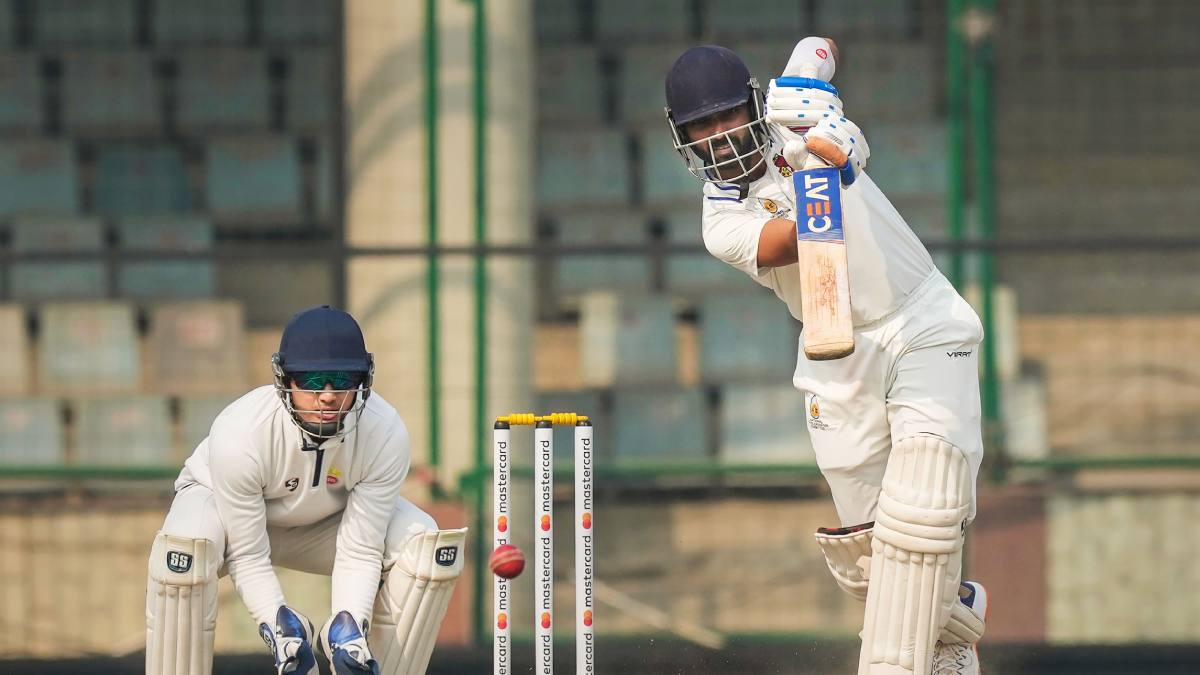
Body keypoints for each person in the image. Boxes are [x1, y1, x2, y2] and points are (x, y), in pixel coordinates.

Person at [664, 39, 988, 674]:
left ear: (752, 104)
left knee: (923, 510)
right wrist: (818, 164)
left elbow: (821, 49)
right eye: (702, 127)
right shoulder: (720, 222)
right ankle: (956, 625)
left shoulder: (795, 117)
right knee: (872, 561)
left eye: (727, 115)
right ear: (683, 138)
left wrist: (831, 127)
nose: (719, 135)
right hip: (834, 348)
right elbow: (802, 238)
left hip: (919, 319)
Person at [145, 305, 466, 675]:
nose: (327, 396)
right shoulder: (241, 432)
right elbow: (247, 554)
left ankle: (353, 650)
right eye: (312, 380)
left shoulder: (385, 432)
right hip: (224, 520)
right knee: (183, 555)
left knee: (427, 550)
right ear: (285, 379)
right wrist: (278, 625)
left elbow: (362, 548)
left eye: (342, 379)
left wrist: (350, 625)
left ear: (363, 380)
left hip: (323, 526)